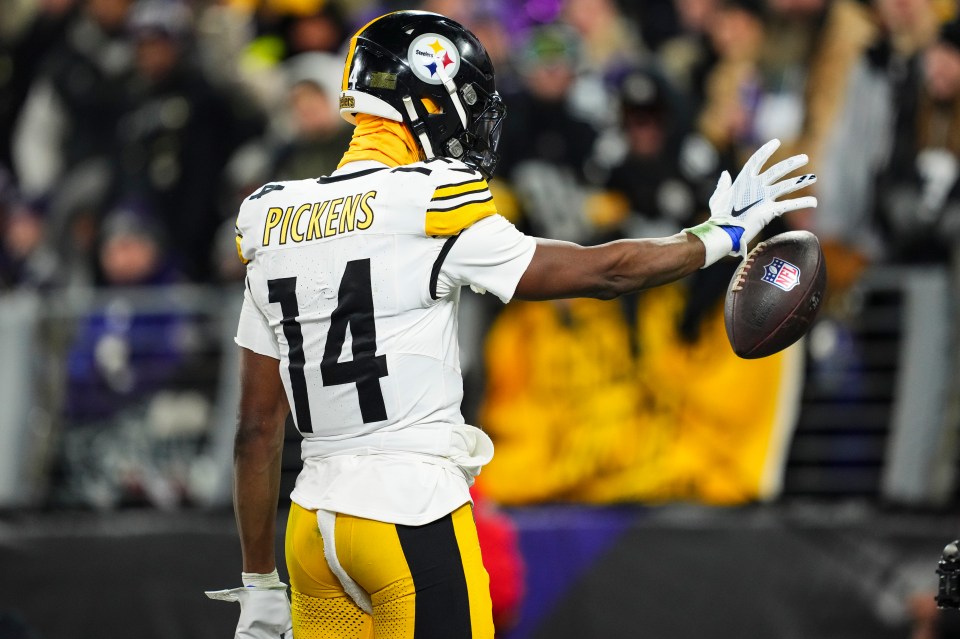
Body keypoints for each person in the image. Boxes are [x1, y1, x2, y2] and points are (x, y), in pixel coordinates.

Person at [205, 10, 816, 639]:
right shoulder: (428, 197)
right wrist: (719, 236)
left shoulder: (270, 217)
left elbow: (255, 428)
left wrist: (258, 580)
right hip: (409, 511)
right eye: (464, 99)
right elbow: (602, 272)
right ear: (428, 99)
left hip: (311, 525)